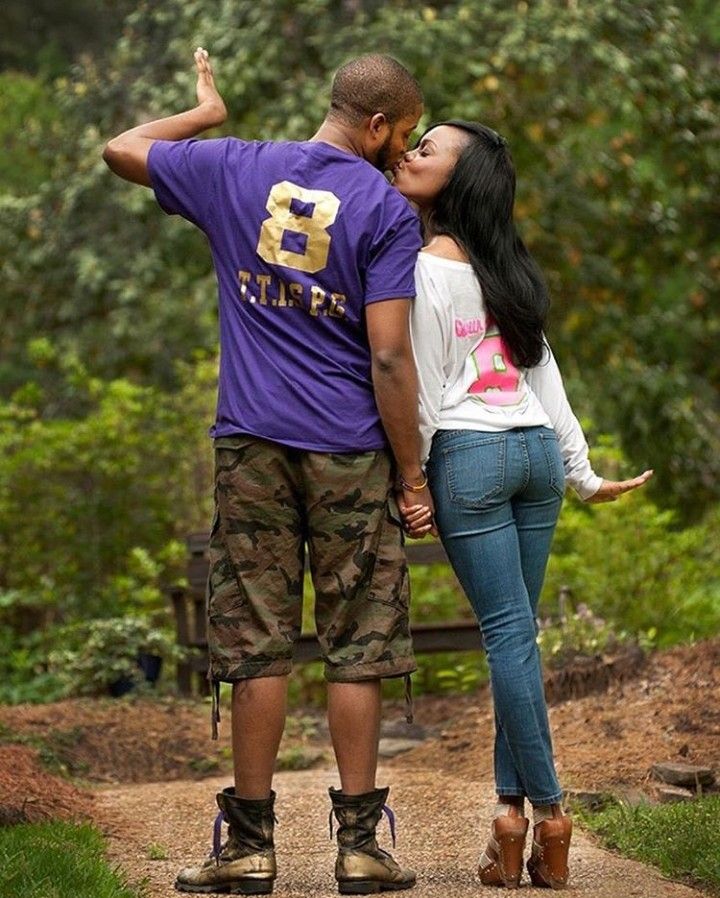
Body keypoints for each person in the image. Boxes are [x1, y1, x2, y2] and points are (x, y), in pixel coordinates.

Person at [103, 49, 433, 896]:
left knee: (257, 641)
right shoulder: (386, 211)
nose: (407, 151)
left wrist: (205, 115)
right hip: (351, 451)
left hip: (251, 444)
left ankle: (248, 849)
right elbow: (390, 358)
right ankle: (360, 847)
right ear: (378, 124)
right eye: (406, 134)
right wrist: (413, 476)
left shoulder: (233, 166)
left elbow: (120, 147)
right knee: (358, 641)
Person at [392, 121, 652, 890]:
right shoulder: (510, 266)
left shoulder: (423, 271)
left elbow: (422, 385)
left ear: (457, 183)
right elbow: (548, 380)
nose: (409, 154)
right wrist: (579, 471)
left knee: (508, 641)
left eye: (427, 150)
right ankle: (509, 824)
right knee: (517, 641)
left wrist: (414, 480)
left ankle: (551, 812)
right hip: (535, 454)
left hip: (470, 456)